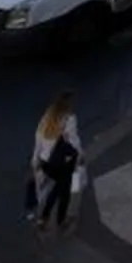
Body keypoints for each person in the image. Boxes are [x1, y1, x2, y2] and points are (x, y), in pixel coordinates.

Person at [29, 92, 82, 238]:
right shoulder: (69, 119)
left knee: (58, 188)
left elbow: (38, 137)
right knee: (64, 192)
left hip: (46, 162)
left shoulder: (47, 117)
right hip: (62, 163)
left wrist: (35, 160)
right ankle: (60, 221)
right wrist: (79, 157)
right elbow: (73, 141)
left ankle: (44, 218)